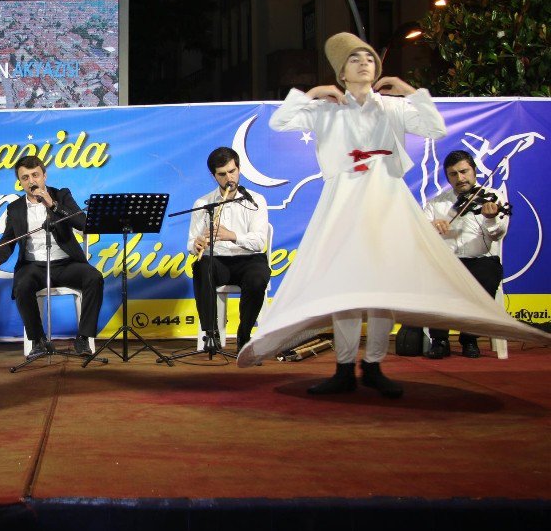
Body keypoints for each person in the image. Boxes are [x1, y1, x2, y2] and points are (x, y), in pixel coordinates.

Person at [238, 32, 544, 397]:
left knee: (381, 287)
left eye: (369, 57)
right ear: (342, 73)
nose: (365, 62)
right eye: (355, 59)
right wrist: (316, 93)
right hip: (344, 203)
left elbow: (434, 127)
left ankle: (373, 366)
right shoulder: (328, 111)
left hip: (386, 198)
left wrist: (408, 90)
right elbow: (280, 122)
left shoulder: (391, 107)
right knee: (345, 287)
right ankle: (342, 368)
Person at [0, 155, 103, 357]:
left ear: (44, 176)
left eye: (35, 175)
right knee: (22, 285)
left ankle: (83, 339)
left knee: (94, 278)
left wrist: (53, 205)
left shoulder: (62, 195)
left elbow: (82, 224)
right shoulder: (15, 208)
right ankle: (38, 341)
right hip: (33, 266)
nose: (31, 181)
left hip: (66, 263)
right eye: (25, 177)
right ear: (20, 182)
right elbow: (9, 239)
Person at [410, 150, 509, 359]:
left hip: (480, 261)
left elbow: (498, 235)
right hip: (448, 262)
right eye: (453, 174)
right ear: (447, 177)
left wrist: (490, 219)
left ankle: (469, 339)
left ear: (473, 171)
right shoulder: (437, 203)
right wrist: (431, 225)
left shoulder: (491, 198)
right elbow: (417, 231)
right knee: (430, 275)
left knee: (488, 274)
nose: (460, 178)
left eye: (464, 172)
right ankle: (440, 339)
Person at [187, 147, 270, 353]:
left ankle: (244, 333)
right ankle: (211, 333)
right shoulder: (203, 203)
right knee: (200, 266)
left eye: (232, 171)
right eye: (222, 174)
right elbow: (190, 243)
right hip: (219, 261)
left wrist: (231, 235)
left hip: (249, 260)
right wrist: (196, 245)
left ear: (239, 169)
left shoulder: (256, 200)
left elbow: (259, 242)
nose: (229, 178)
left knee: (259, 276)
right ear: (214, 176)